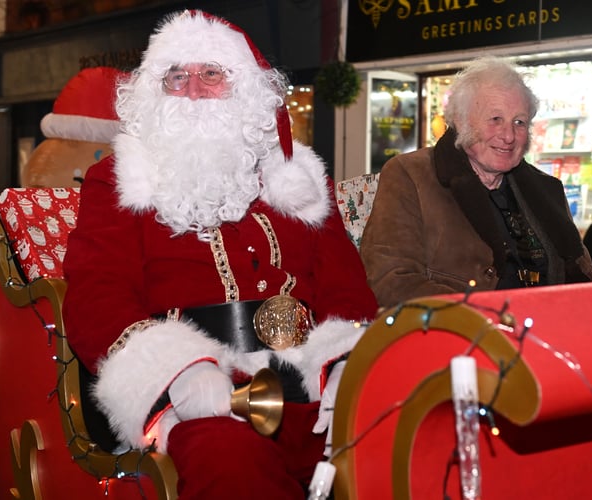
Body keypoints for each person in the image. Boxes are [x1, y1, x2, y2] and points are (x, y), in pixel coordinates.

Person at [61, 10, 378, 499]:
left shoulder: (300, 179)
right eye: (176, 76)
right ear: (154, 90)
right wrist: (178, 371)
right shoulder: (119, 180)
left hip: (310, 387)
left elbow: (346, 289)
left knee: (402, 432)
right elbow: (96, 295)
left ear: (246, 90)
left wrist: (345, 363)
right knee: (228, 462)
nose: (192, 90)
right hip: (206, 399)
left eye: (211, 74)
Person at [359, 56, 592, 309]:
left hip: (549, 333)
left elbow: (585, 275)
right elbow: (389, 280)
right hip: (459, 339)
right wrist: (483, 318)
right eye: (495, 119)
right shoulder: (410, 175)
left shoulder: (546, 189)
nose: (508, 136)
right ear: (460, 120)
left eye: (519, 122)